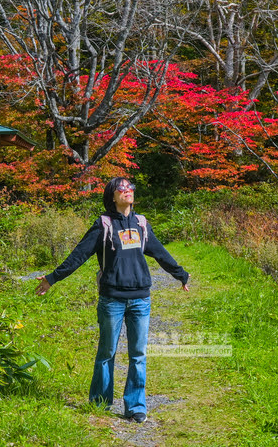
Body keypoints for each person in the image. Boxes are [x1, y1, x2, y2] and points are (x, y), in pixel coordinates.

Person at [35, 177, 189, 424]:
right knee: (107, 352)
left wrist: (181, 275)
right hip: (112, 300)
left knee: (138, 354)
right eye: (122, 188)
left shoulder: (141, 223)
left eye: (130, 188)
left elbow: (160, 253)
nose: (128, 191)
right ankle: (100, 403)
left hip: (141, 299)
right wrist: (53, 278)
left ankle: (136, 406)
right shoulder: (103, 224)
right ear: (112, 196)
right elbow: (79, 255)